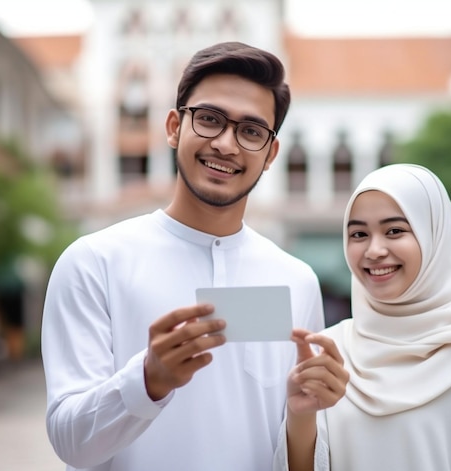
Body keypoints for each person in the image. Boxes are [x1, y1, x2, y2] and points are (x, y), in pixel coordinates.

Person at [41, 41, 347, 471]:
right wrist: (147, 382)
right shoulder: (95, 263)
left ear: (271, 153)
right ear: (173, 127)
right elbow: (71, 443)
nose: (226, 144)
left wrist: (305, 414)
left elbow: (293, 448)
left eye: (252, 131)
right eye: (209, 120)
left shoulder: (294, 279)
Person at [276, 163, 451, 470]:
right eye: (359, 233)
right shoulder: (331, 351)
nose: (374, 250)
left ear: (435, 237)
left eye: (395, 231)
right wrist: (300, 414)